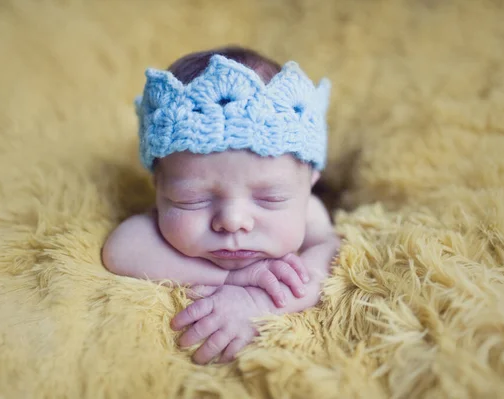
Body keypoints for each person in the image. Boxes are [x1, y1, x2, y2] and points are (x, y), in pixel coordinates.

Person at [102, 46, 342, 364]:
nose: (232, 221)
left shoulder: (310, 212)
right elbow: (120, 250)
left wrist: (259, 302)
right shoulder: (150, 226)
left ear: (309, 181)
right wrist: (233, 279)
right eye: (192, 200)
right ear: (158, 185)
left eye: (270, 199)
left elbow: (328, 258)